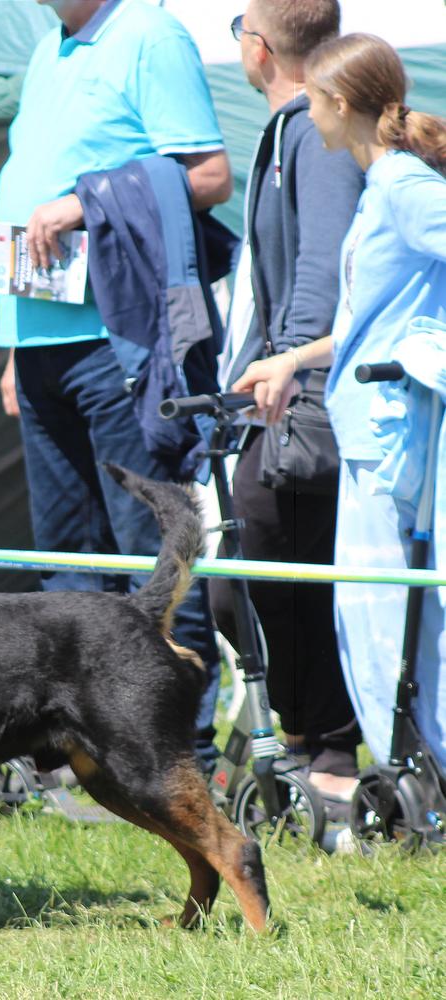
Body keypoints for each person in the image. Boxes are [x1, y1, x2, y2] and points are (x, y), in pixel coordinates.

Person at [0, 0, 234, 769]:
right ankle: (76, 752)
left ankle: (179, 756)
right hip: (39, 345)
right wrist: (14, 348)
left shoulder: (149, 33)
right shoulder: (48, 48)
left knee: (153, 556)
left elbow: (208, 175)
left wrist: (86, 203)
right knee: (64, 564)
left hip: (121, 345)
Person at [233, 33, 446, 781]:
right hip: (365, 431)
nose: (308, 115)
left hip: (393, 436)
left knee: (398, 620)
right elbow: (361, 320)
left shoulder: (405, 188)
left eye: (315, 102)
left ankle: (422, 778)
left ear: (342, 106)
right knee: (365, 615)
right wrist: (291, 359)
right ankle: (405, 776)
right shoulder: (379, 185)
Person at [210, 0, 363, 807]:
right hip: (276, 393)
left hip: (304, 402)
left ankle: (331, 757)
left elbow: (324, 268)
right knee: (244, 580)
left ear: (258, 46)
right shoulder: (292, 127)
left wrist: (289, 379)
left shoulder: (316, 132)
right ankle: (309, 745)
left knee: (284, 574)